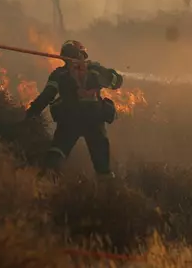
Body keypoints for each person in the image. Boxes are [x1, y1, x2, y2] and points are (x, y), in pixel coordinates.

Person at [25, 40, 123, 179]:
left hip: (72, 120)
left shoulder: (63, 74)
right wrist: (106, 75)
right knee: (102, 169)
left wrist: (29, 115)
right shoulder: (89, 70)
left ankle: (46, 186)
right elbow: (116, 82)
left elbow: (46, 97)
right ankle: (108, 193)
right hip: (91, 121)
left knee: (55, 157)